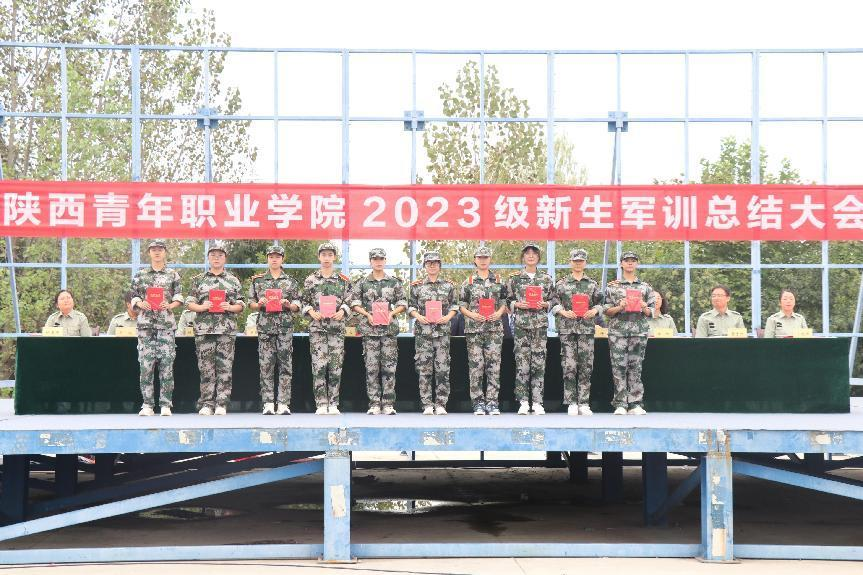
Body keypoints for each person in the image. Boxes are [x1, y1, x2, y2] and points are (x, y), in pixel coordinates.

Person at [185, 241, 245, 416]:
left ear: (225, 258)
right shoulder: (198, 280)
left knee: (225, 367)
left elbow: (241, 305)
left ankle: (221, 403)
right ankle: (207, 403)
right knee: (206, 368)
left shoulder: (233, 280)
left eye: (220, 255)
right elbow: (189, 303)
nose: (216, 258)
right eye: (213, 255)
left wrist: (230, 307)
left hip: (226, 330)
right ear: (208, 258)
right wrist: (202, 307)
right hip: (204, 330)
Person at [349, 247, 407, 415]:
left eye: (381, 259)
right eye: (375, 259)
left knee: (389, 368)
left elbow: (403, 302)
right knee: (372, 368)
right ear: (370, 262)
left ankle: (388, 403)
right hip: (370, 331)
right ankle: (374, 403)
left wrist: (392, 314)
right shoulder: (362, 282)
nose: (378, 262)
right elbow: (354, 303)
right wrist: (367, 314)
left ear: (385, 261)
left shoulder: (394, 282)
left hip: (388, 331)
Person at [129, 240, 184, 416]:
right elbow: (132, 295)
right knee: (146, 366)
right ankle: (147, 405)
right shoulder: (141, 274)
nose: (157, 252)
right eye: (154, 250)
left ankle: (166, 404)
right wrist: (140, 303)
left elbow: (179, 296)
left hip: (166, 326)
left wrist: (170, 305)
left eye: (160, 249)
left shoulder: (173, 274)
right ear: (149, 253)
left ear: (165, 252)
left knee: (166, 366)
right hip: (146, 327)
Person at [248, 245, 300, 415]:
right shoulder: (258, 280)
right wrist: (259, 304)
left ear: (282, 259)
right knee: (266, 365)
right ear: (267, 259)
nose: (274, 259)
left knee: (286, 365)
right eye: (271, 257)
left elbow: (298, 304)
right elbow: (250, 303)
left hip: (285, 328)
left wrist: (289, 305)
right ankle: (268, 403)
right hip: (265, 328)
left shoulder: (291, 281)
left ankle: (283, 403)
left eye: (277, 257)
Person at [550, 248, 603, 416]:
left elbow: (601, 303)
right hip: (567, 330)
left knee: (586, 366)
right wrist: (563, 312)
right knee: (569, 365)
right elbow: (552, 303)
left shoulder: (592, 284)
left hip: (586, 330)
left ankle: (584, 402)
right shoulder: (561, 284)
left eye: (581, 261)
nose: (578, 263)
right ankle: (571, 401)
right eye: (575, 261)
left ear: (585, 263)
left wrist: (595, 311)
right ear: (570, 262)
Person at [302, 242, 352, 415]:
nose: (327, 258)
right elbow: (303, 301)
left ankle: (333, 403)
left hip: (336, 329)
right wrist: (311, 311)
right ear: (319, 257)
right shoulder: (310, 280)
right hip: (317, 329)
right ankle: (321, 403)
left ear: (334, 257)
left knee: (335, 367)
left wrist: (343, 311)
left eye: (330, 255)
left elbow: (351, 300)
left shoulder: (343, 280)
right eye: (324, 255)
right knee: (319, 366)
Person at [603, 251, 655, 415]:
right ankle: (620, 403)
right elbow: (606, 311)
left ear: (637, 263)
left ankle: (635, 403)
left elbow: (652, 312)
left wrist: (644, 306)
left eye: (633, 260)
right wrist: (620, 306)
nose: (630, 263)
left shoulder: (645, 287)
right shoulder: (612, 287)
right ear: (621, 264)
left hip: (638, 331)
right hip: (618, 332)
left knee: (636, 367)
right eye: (627, 261)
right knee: (618, 367)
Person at [459, 245, 508, 415]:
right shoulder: (468, 282)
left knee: (494, 367)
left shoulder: (499, 281)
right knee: (476, 367)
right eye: (479, 257)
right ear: (475, 260)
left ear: (490, 259)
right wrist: (472, 315)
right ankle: (478, 403)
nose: (482, 260)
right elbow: (462, 306)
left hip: (494, 330)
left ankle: (493, 402)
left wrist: (499, 313)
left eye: (485, 257)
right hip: (474, 330)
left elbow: (504, 302)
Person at [506, 242, 554, 415]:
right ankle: (523, 401)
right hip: (521, 326)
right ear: (523, 257)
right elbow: (506, 300)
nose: (531, 255)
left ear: (538, 257)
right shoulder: (514, 279)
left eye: (534, 253)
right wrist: (517, 304)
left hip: (540, 326)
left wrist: (545, 304)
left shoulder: (546, 279)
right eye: (527, 253)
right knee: (522, 363)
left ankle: (538, 401)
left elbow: (554, 300)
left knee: (539, 363)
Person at [408, 251, 458, 415]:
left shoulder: (449, 286)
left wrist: (448, 317)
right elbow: (410, 306)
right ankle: (427, 404)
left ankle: (441, 403)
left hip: (442, 333)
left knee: (443, 369)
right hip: (423, 333)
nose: (432, 266)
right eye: (429, 263)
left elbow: (455, 305)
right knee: (424, 369)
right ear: (424, 265)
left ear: (440, 265)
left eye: (435, 263)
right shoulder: (416, 286)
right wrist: (418, 316)